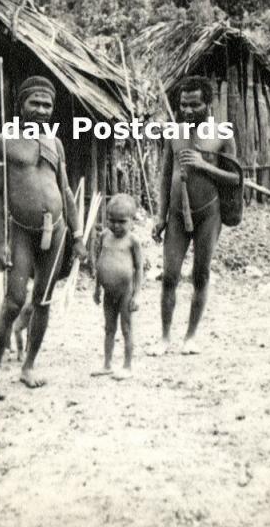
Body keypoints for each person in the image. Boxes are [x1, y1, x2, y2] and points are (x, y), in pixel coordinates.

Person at [0, 76, 87, 400]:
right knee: (13, 302)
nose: (41, 110)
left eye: (47, 105)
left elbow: (66, 190)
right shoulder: (3, 141)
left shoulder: (55, 144)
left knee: (43, 299)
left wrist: (78, 234)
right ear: (21, 105)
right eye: (35, 103)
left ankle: (28, 367)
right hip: (22, 232)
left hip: (55, 230)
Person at [150, 75, 240, 356]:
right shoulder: (174, 133)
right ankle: (164, 338)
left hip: (208, 215)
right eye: (183, 105)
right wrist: (160, 215)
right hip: (177, 215)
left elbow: (236, 177)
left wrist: (205, 165)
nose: (187, 111)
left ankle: (191, 337)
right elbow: (166, 177)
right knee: (169, 276)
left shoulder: (222, 134)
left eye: (194, 105)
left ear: (208, 105)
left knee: (199, 275)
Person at [92, 194, 143, 380]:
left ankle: (127, 366)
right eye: (112, 220)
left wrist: (137, 295)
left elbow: (139, 270)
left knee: (126, 328)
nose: (116, 226)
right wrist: (97, 288)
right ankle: (107, 364)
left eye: (122, 221)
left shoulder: (133, 241)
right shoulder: (105, 236)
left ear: (132, 221)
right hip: (108, 293)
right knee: (109, 328)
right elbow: (99, 262)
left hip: (126, 293)